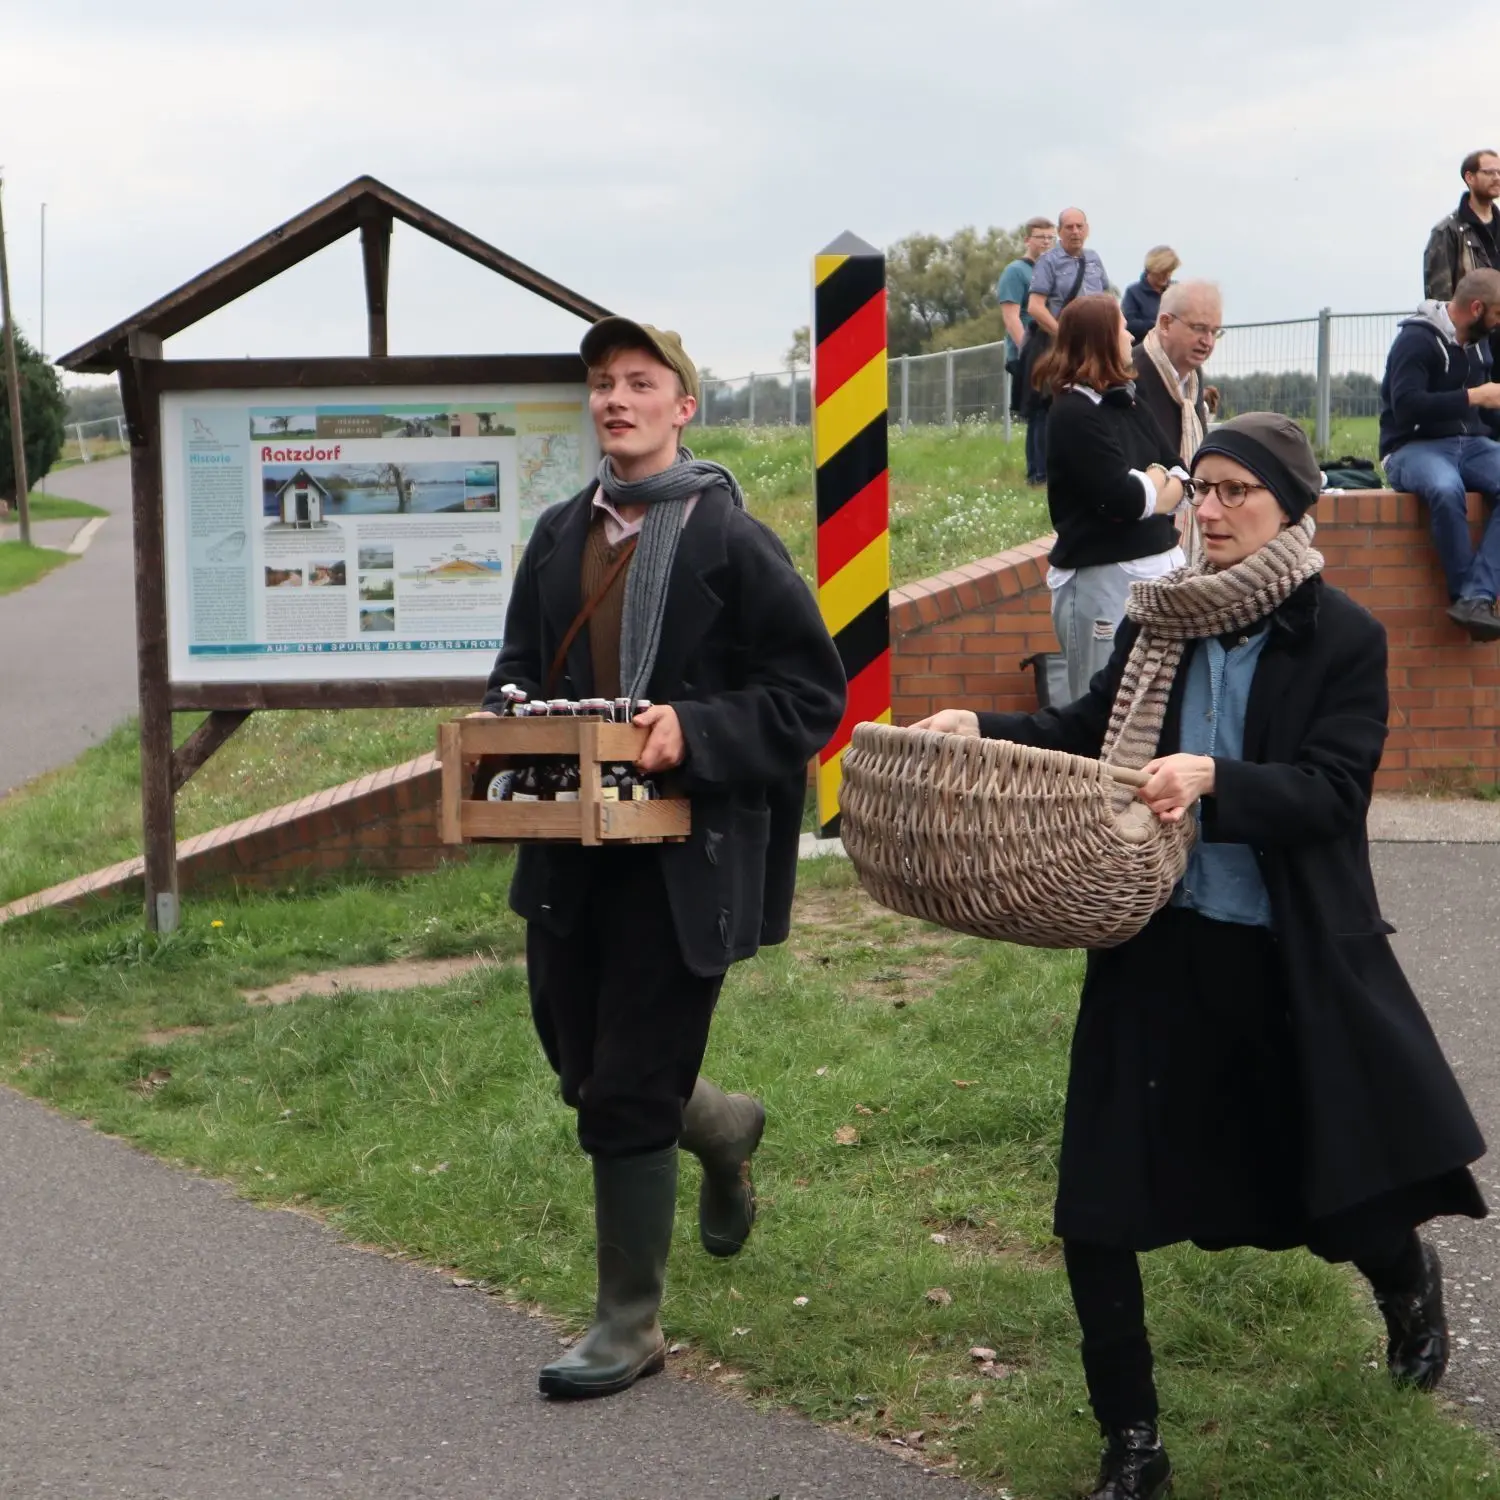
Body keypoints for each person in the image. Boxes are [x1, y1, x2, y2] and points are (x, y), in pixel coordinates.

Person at [915, 412, 1487, 1500]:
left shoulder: (1344, 636)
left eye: (1237, 493)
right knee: (1096, 1205)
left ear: (1292, 508)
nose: (1211, 511)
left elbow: (1331, 791)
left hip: (1285, 956)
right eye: (1202, 487)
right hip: (1153, 947)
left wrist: (1217, 780)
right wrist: (981, 727)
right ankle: (1133, 1445)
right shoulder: (1158, 620)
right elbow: (1090, 734)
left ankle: (1406, 1279)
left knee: (1337, 1191)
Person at [477, 316, 845, 1399]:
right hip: (569, 851)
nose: (615, 400)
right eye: (603, 383)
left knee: (629, 1088)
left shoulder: (732, 540)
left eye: (640, 383)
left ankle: (628, 1324)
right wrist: (507, 712)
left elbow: (809, 696)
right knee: (580, 1067)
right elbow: (515, 664)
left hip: (685, 861)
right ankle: (724, 1126)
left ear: (683, 407)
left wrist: (697, 727)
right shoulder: (558, 535)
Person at [1035, 293, 1185, 704]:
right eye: (1121, 326)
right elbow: (1124, 499)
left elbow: (1183, 476)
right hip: (1105, 589)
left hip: (1159, 575)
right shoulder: (1072, 413)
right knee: (1103, 708)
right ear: (1100, 337)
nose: (1130, 334)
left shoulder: (1129, 400)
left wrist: (1154, 483)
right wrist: (1158, 482)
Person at [1378, 268, 1500, 641]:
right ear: (1477, 308)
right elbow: (1406, 406)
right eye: (1497, 313)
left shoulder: (1479, 343)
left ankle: (1476, 597)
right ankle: (1468, 597)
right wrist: (1473, 396)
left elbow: (1484, 414)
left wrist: (1485, 406)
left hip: (1471, 444)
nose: (1499, 323)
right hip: (1411, 447)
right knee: (1446, 489)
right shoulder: (1416, 340)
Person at [1021, 208, 1112, 488]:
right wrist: (1065, 334)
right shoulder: (1048, 262)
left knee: (1093, 402)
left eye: (1079, 226)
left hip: (1092, 346)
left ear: (1087, 229)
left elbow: (1106, 299)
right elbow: (1035, 307)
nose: (1075, 232)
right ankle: (1043, 473)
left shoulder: (1094, 260)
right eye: (1069, 227)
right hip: (1058, 343)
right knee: (1051, 406)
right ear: (1060, 232)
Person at [997, 216, 1056, 480]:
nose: (1046, 242)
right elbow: (1011, 317)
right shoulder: (1016, 272)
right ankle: (1038, 473)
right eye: (1041, 237)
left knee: (1049, 410)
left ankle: (1044, 470)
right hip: (1028, 352)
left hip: (1052, 350)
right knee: (1038, 410)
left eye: (1050, 237)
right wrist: (1027, 352)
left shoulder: (1053, 270)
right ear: (1027, 240)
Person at [1120, 246, 1179, 343]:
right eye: (1162, 272)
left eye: (1169, 271)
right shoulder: (1133, 292)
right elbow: (1129, 324)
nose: (1166, 276)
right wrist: (1158, 325)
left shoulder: (1177, 290)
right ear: (1150, 270)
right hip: (1142, 347)